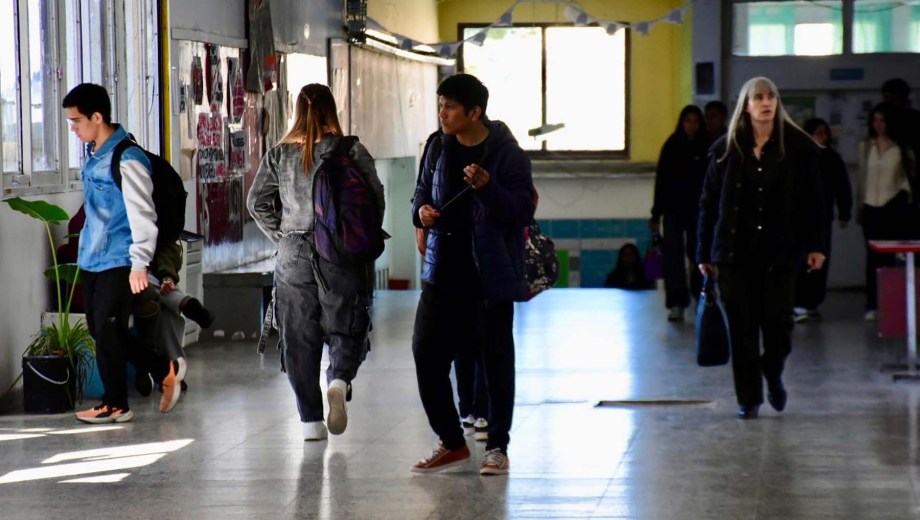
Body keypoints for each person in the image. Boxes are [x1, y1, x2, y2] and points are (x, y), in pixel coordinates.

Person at [410, 73, 534, 475]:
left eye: (449, 107)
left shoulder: (507, 154)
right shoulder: (436, 146)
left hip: (489, 274)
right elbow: (421, 194)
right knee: (426, 353)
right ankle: (451, 440)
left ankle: (497, 445)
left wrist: (486, 187)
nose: (441, 114)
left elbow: (520, 211)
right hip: (442, 270)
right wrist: (421, 214)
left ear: (474, 112)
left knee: (494, 360)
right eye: (440, 105)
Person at [247, 83, 383, 441]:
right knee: (346, 322)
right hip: (339, 250)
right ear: (331, 109)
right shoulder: (350, 149)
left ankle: (310, 422)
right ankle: (338, 380)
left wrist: (283, 236)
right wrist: (358, 237)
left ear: (297, 111)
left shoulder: (278, 154)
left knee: (298, 336)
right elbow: (375, 197)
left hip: (293, 252)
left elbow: (256, 202)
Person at [697, 76, 826, 420]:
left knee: (779, 324)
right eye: (758, 97)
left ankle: (772, 368)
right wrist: (703, 255)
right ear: (747, 105)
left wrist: (816, 246)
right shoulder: (725, 151)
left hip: (780, 253)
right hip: (733, 254)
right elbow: (708, 205)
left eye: (771, 96)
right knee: (742, 328)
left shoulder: (798, 149)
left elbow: (815, 202)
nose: (766, 102)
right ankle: (749, 398)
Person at [63, 83, 173, 423]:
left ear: (98, 117)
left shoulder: (126, 157)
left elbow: (143, 213)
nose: (74, 128)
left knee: (109, 331)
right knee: (102, 330)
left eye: (77, 120)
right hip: (94, 257)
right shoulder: (96, 153)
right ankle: (165, 369)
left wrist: (140, 263)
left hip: (120, 258)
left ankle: (116, 403)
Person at [856, 102, 916, 321]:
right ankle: (872, 303)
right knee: (872, 258)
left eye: (882, 120)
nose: (878, 125)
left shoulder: (901, 148)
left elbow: (908, 179)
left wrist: (905, 202)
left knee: (892, 258)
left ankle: (892, 303)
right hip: (871, 206)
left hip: (892, 207)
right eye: (875, 120)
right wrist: (859, 205)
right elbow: (863, 179)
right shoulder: (866, 146)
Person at [650, 105, 710, 321]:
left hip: (699, 212)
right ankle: (677, 304)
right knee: (673, 259)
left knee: (699, 256)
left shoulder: (707, 147)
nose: (692, 126)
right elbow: (662, 181)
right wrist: (656, 215)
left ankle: (701, 295)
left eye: (695, 122)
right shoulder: (672, 146)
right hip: (673, 210)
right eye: (688, 121)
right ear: (682, 123)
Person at [793, 118, 853, 322]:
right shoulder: (799, 157)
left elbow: (843, 188)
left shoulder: (832, 158)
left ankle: (813, 302)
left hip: (823, 218)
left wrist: (845, 212)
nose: (822, 137)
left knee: (820, 259)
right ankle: (799, 302)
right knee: (801, 260)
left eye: (824, 133)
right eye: (817, 133)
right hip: (800, 219)